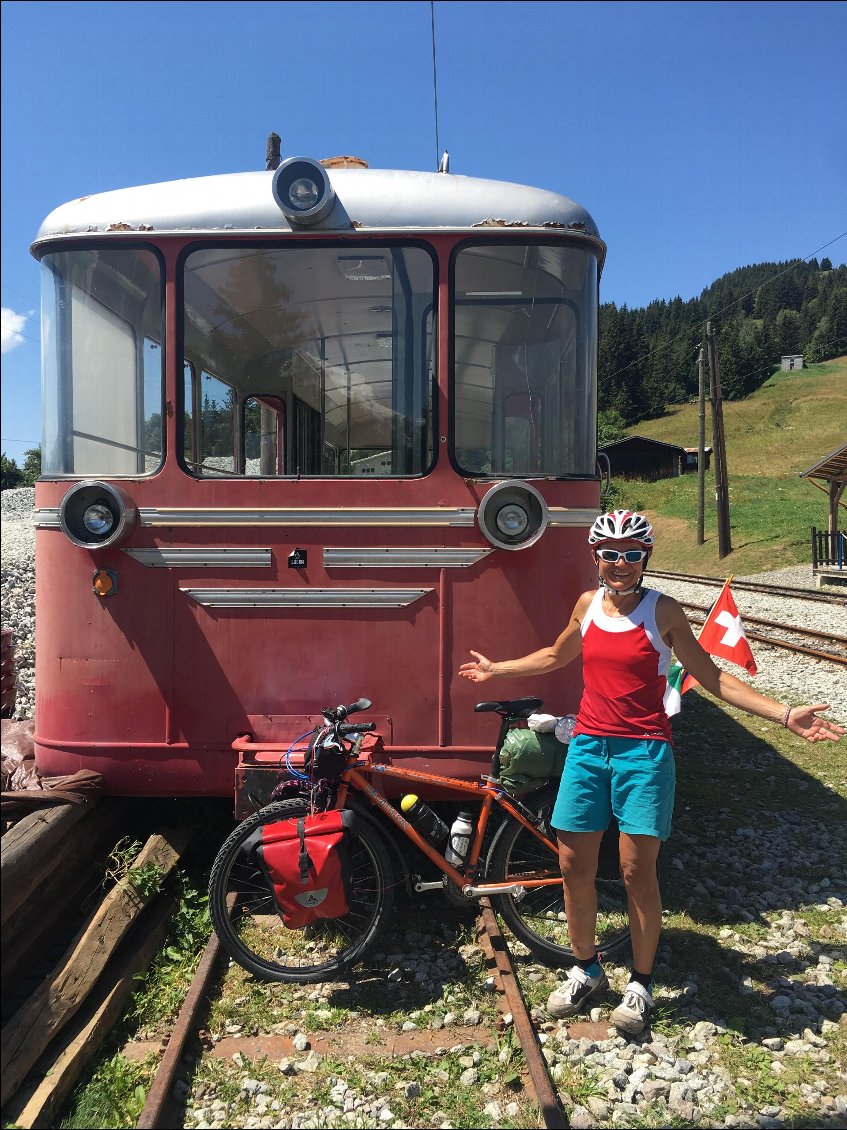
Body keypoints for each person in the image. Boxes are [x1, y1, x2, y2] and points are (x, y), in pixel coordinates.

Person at [459, 509, 843, 1035]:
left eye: (632, 554)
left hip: (644, 751)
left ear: (646, 558)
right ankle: (586, 968)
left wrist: (782, 713)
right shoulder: (587, 605)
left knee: (637, 869)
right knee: (573, 863)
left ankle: (640, 981)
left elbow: (711, 677)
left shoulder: (663, 611)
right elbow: (555, 654)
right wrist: (497, 669)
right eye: (610, 553)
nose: (620, 563)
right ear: (596, 557)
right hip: (589, 746)